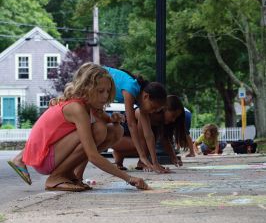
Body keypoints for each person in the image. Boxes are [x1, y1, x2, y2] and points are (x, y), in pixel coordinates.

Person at [8, 62, 148, 191]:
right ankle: (56, 178)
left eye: (108, 91)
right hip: (44, 158)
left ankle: (72, 175)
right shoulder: (77, 108)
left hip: (53, 155)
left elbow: (109, 122)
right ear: (86, 89)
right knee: (98, 129)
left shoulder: (90, 106)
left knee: (116, 130)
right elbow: (92, 155)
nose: (105, 96)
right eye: (100, 91)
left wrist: (115, 119)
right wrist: (129, 178)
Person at [104, 66, 169, 173]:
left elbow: (149, 134)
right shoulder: (131, 89)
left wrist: (155, 162)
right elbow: (131, 124)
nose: (153, 112)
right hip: (93, 76)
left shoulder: (141, 100)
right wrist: (142, 156)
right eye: (153, 107)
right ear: (146, 96)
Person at [112, 95, 193, 169]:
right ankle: (121, 155)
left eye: (175, 118)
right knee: (148, 143)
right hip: (117, 138)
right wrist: (154, 163)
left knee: (151, 141)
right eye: (173, 116)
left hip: (127, 140)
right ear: (164, 109)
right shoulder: (145, 113)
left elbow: (165, 140)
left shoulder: (160, 122)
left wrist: (173, 157)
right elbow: (143, 139)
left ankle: (120, 158)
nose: (173, 120)